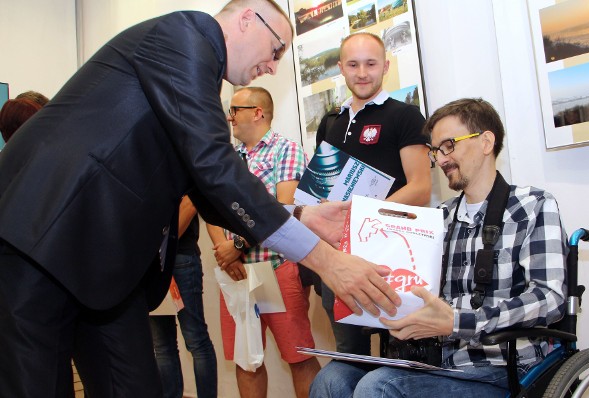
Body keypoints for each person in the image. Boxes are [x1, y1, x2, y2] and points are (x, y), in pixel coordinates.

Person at [0, 1, 401, 396]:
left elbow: (207, 188)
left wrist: (301, 214)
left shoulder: (195, 69)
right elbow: (214, 166)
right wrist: (326, 260)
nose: (273, 66)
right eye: (276, 49)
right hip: (42, 239)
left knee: (136, 386)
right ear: (248, 18)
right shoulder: (184, 36)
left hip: (102, 264)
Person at [310, 98, 568, 397]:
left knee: (377, 387)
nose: (441, 159)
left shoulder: (533, 206)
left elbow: (550, 298)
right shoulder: (437, 219)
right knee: (332, 378)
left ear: (486, 142)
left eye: (449, 145)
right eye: (436, 151)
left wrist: (456, 322)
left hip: (505, 369)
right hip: (437, 364)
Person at [315, 31, 431, 356]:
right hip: (339, 256)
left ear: (386, 66)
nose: (362, 73)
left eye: (371, 63)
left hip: (392, 252)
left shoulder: (405, 116)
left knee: (403, 352)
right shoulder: (330, 122)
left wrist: (364, 212)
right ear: (341, 67)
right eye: (353, 64)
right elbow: (323, 192)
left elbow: (421, 189)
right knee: (350, 355)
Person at [208, 86, 320, 398]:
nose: (229, 118)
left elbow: (281, 209)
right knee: (246, 361)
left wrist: (238, 246)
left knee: (298, 356)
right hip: (236, 273)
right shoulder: (225, 158)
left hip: (276, 266)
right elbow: (211, 210)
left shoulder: (287, 151)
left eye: (235, 110)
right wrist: (224, 254)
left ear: (257, 113)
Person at [149, 196, 217, 398]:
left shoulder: (178, 165)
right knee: (162, 345)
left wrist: (159, 247)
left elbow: (191, 202)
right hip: (150, 263)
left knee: (196, 340)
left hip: (179, 257)